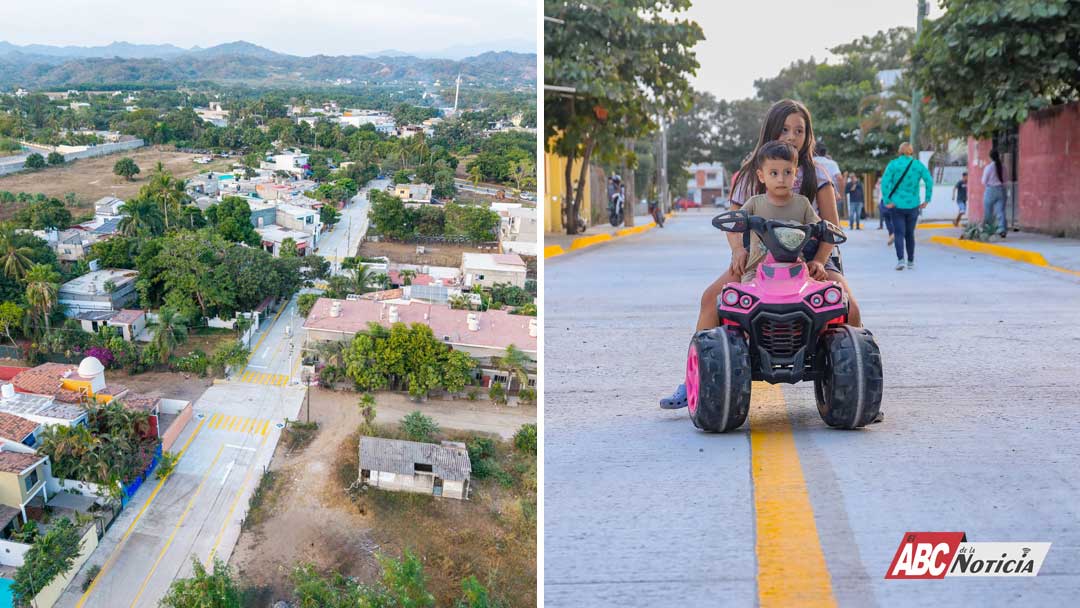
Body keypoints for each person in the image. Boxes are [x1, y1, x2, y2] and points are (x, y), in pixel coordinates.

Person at [660, 99, 863, 409]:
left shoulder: (817, 174)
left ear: (807, 135)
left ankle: (859, 382)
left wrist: (820, 261)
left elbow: (831, 226)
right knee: (711, 299)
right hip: (758, 257)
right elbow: (732, 221)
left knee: (849, 303)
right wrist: (738, 250)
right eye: (785, 129)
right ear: (771, 130)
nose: (792, 136)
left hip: (811, 257)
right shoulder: (750, 172)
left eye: (799, 130)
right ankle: (694, 381)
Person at [737, 141, 823, 281]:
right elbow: (734, 225)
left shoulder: (803, 204)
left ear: (795, 174)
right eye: (774, 173)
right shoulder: (754, 203)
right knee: (742, 293)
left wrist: (819, 260)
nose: (781, 179)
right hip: (756, 273)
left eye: (788, 172)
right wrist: (738, 249)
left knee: (825, 291)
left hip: (796, 272)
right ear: (761, 176)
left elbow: (821, 228)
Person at [880, 142, 933, 270]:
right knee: (910, 234)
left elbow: (884, 182)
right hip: (913, 205)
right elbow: (929, 181)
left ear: (900, 151)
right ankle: (910, 261)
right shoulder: (918, 165)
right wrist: (927, 199)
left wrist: (887, 200)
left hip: (896, 205)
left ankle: (900, 260)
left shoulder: (893, 164)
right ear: (911, 151)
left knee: (899, 233)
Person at [982, 149, 1008, 237]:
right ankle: (1002, 229)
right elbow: (1005, 180)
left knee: (988, 211)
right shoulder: (1003, 167)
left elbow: (984, 181)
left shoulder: (989, 167)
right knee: (1000, 211)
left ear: (990, 157)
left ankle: (989, 230)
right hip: (1001, 190)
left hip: (990, 190)